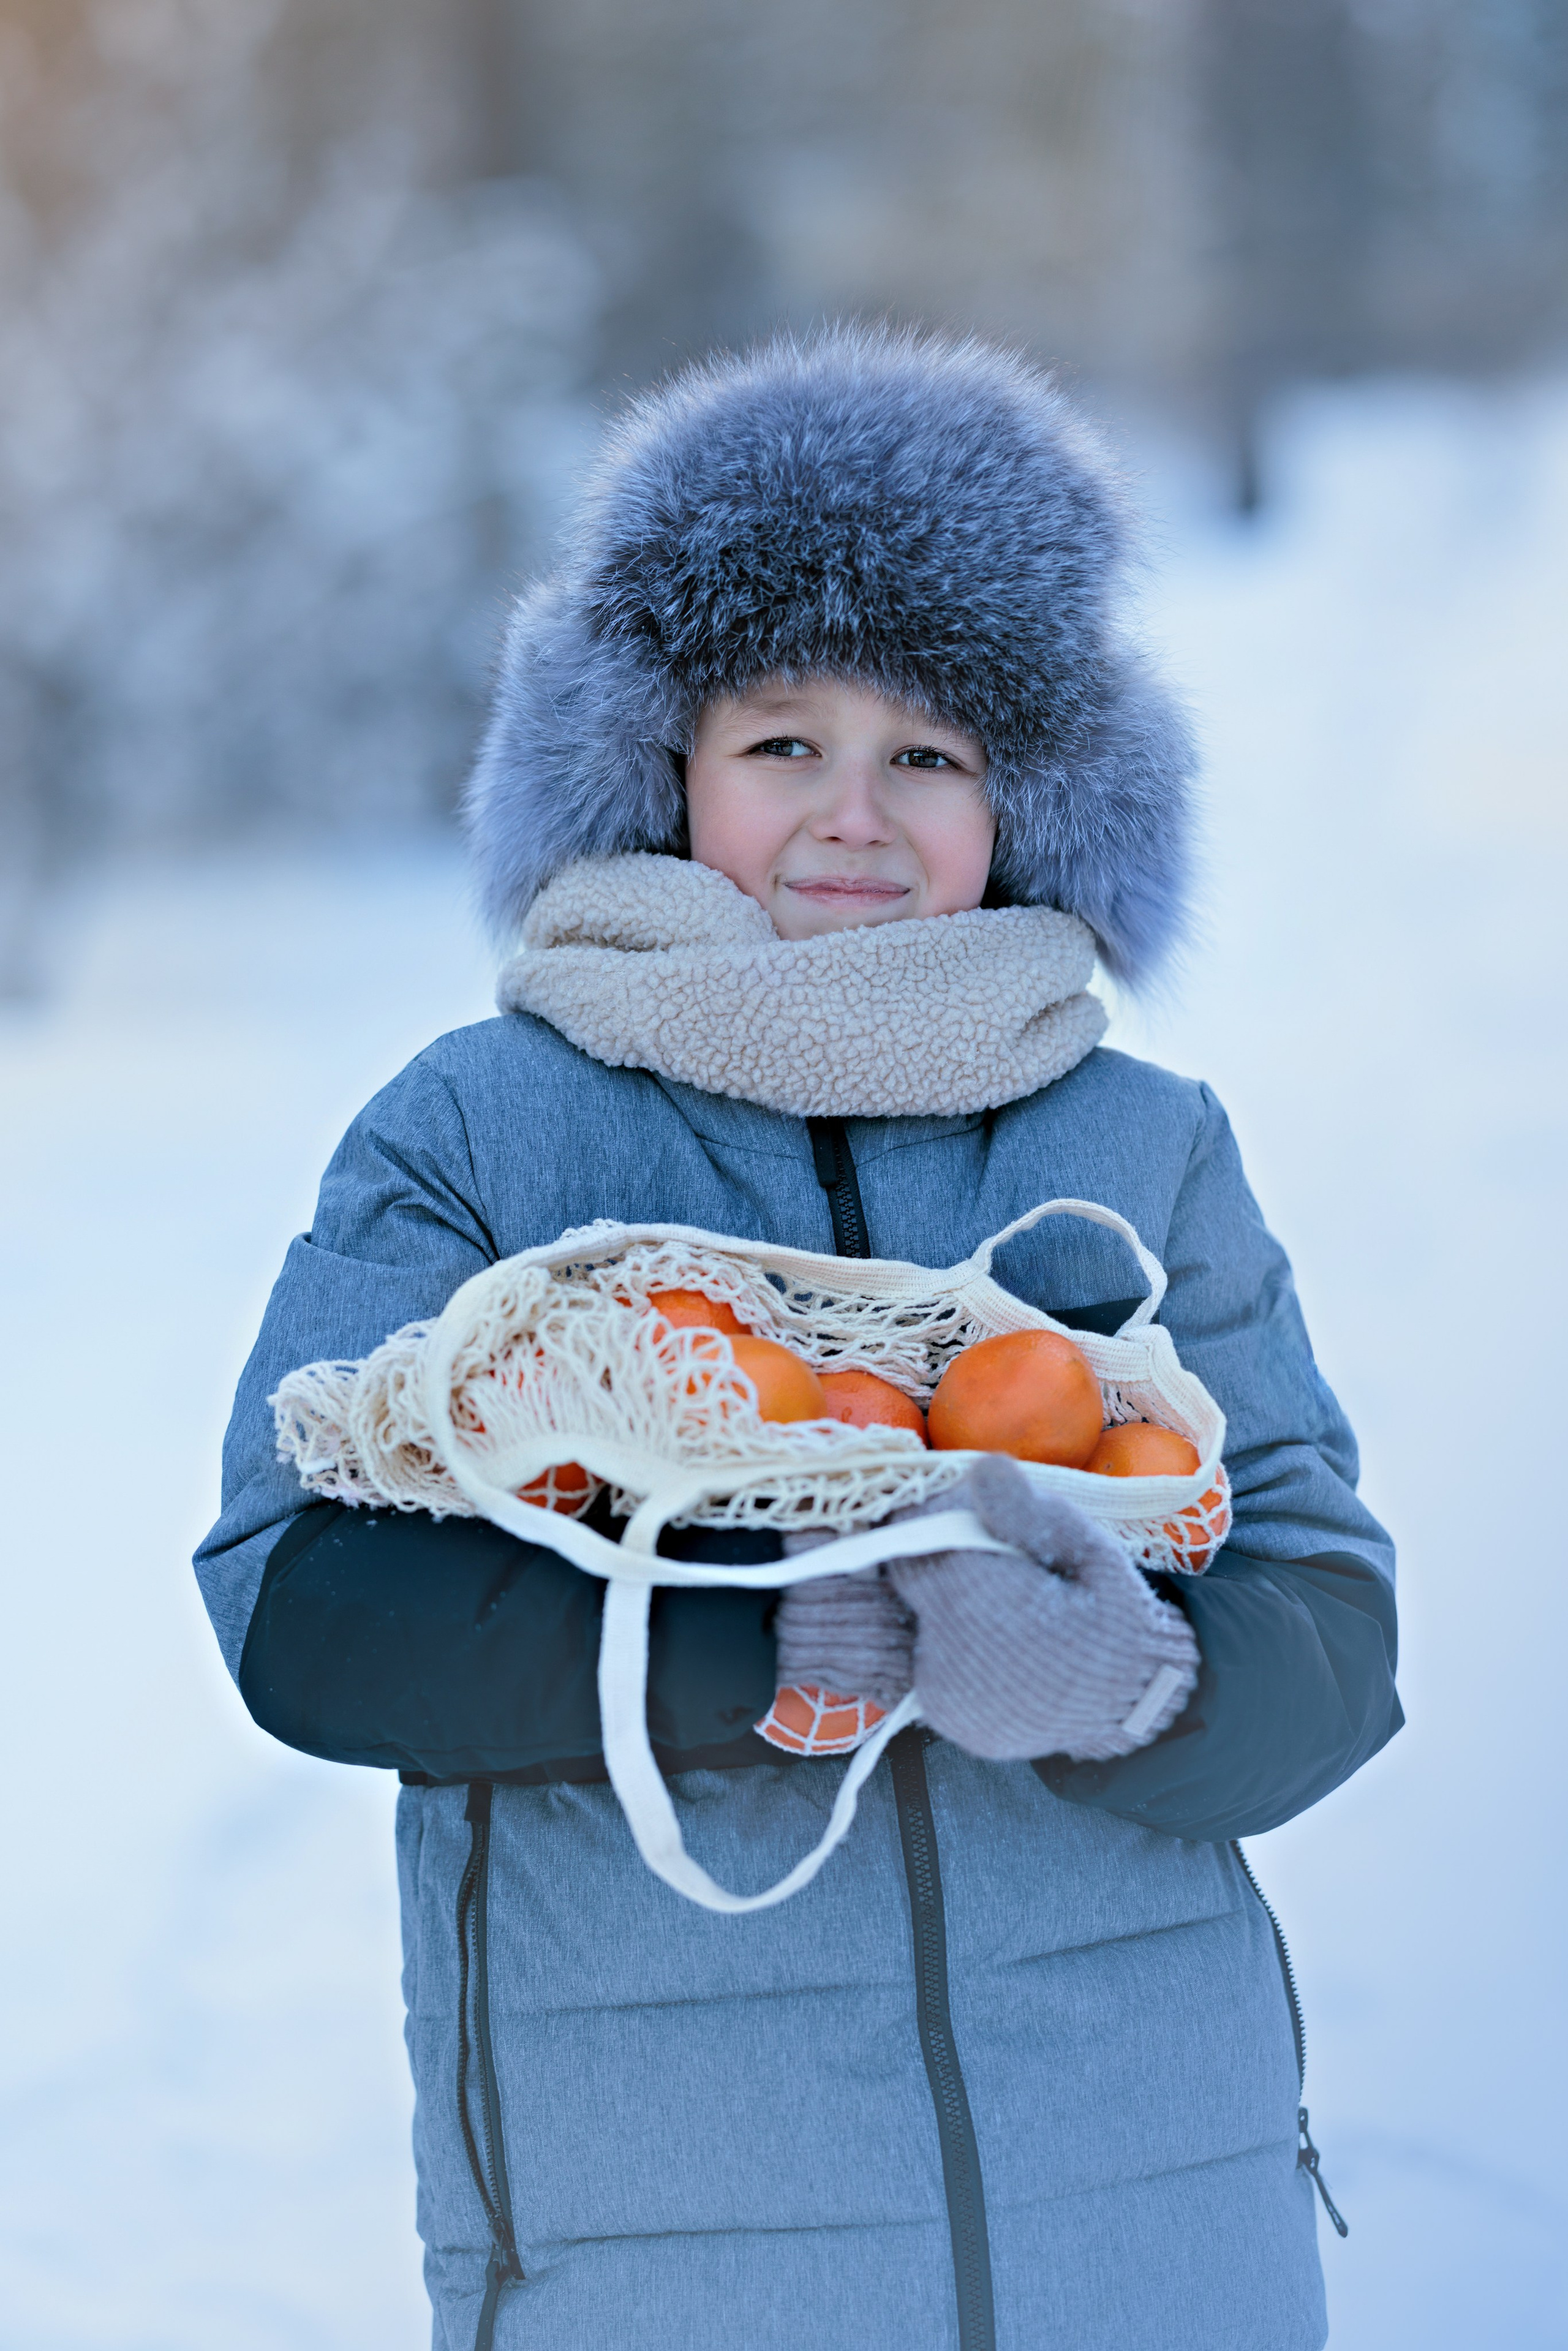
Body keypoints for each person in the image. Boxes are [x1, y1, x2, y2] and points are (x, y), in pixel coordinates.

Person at [199, 325, 1400, 2351]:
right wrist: (774, 1648)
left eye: (927, 752)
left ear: (1029, 794)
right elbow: (301, 1609)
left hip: (1156, 2221)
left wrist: (1140, 1679)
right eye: (784, 741)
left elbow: (1337, 1631)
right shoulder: (483, 1129)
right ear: (657, 767)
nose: (857, 813)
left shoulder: (1141, 1147)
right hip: (664, 2240)